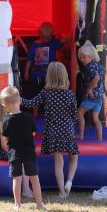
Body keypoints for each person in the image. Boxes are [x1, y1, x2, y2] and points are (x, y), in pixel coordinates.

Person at [21, 61, 79, 198]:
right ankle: (69, 182)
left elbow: (30, 103)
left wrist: (17, 98)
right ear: (64, 76)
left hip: (52, 131)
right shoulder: (70, 94)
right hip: (67, 131)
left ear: (49, 76)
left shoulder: (46, 93)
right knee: (74, 157)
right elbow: (74, 115)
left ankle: (62, 192)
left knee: (58, 162)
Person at [0, 85, 45, 211]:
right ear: (19, 101)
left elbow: (5, 137)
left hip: (14, 153)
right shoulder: (28, 117)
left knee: (17, 179)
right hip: (29, 152)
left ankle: (17, 204)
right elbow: (33, 133)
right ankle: (39, 204)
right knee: (34, 178)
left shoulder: (6, 120)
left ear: (4, 105)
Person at [23, 22, 63, 96]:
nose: (46, 40)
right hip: (36, 75)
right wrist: (26, 72)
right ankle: (36, 107)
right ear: (39, 34)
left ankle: (47, 106)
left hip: (49, 75)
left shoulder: (53, 43)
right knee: (35, 93)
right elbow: (29, 59)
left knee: (49, 93)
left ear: (52, 35)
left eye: (48, 38)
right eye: (44, 38)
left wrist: (59, 35)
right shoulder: (34, 45)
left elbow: (65, 40)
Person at [77, 41, 105, 140]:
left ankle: (80, 135)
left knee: (79, 113)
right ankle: (99, 138)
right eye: (81, 57)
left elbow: (96, 78)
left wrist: (89, 89)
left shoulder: (91, 67)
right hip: (99, 98)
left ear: (91, 57)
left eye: (85, 57)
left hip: (92, 96)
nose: (82, 59)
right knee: (95, 118)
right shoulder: (98, 66)